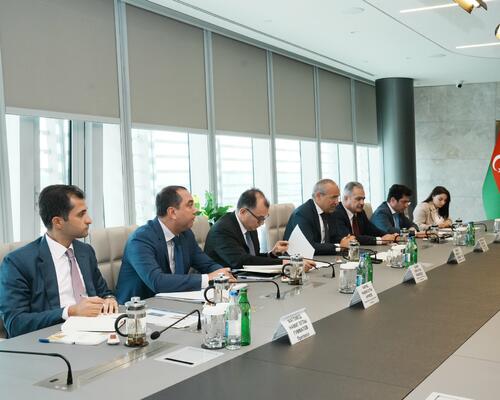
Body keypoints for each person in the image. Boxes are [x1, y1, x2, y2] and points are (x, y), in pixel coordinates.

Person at [0, 185, 117, 338]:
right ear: (58, 222)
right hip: (51, 339)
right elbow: (15, 324)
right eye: (81, 214)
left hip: (96, 332)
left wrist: (109, 300)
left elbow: (104, 292)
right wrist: (70, 311)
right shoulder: (17, 262)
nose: (89, 220)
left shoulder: (85, 251)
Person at [116, 186, 233, 304]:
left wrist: (222, 275)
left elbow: (207, 264)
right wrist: (208, 278)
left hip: (173, 303)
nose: (195, 210)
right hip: (137, 309)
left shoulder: (185, 234)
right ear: (172, 212)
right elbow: (157, 282)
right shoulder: (141, 239)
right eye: (190, 205)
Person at [204, 189, 315, 271]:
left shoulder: (250, 225)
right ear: (243, 212)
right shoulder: (222, 230)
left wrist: (272, 254)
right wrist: (288, 262)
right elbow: (242, 262)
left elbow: (253, 257)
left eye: (264, 218)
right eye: (260, 218)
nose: (261, 223)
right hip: (223, 284)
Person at [284, 179, 355, 255]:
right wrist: (339, 246)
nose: (337, 202)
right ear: (318, 196)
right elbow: (309, 246)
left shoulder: (330, 211)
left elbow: (334, 237)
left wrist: (346, 240)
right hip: (299, 258)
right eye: (333, 197)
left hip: (323, 257)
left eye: (337, 197)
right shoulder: (302, 214)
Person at [331, 182, 397, 245]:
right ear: (346, 198)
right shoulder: (336, 213)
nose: (362, 203)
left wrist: (391, 236)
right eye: (358, 199)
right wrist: (380, 240)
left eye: (363, 199)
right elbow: (350, 238)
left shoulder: (360, 212)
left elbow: (372, 230)